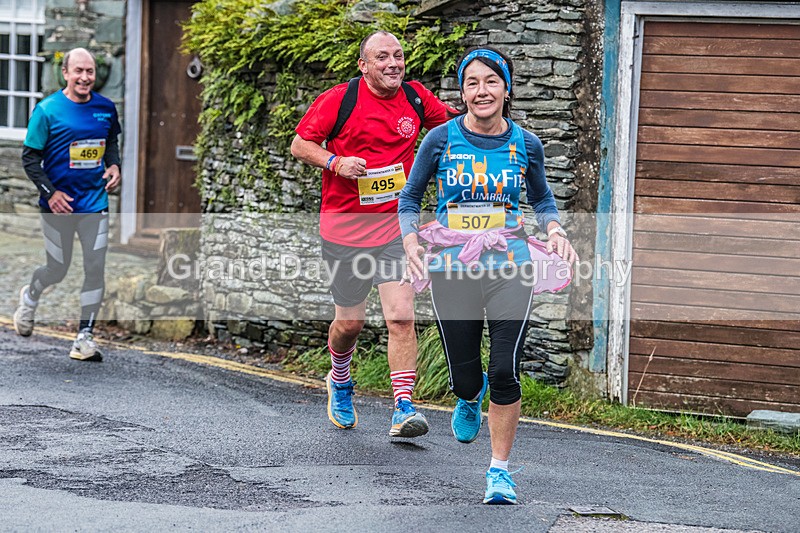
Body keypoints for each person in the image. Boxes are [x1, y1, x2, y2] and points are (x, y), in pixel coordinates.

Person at [398, 47, 577, 503]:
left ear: (506, 88)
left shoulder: (526, 144)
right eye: (473, 82)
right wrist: (411, 240)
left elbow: (542, 200)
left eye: (491, 81)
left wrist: (554, 229)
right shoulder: (439, 140)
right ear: (463, 91)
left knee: (504, 370)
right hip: (452, 266)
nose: (482, 91)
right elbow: (410, 197)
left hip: (509, 264)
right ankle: (466, 394)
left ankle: (500, 471)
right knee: (466, 374)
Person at [290, 31, 454, 437]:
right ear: (364, 65)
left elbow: (451, 128)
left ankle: (403, 408)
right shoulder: (339, 100)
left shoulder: (416, 98)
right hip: (344, 230)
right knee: (351, 324)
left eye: (398, 55)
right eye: (383, 57)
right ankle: (340, 379)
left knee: (401, 317)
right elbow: (299, 144)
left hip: (396, 228)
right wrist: (335, 162)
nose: (393, 63)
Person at [12, 48, 121, 362]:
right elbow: (30, 158)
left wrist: (114, 167)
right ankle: (31, 295)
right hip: (58, 207)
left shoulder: (106, 108)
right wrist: (51, 193)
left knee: (95, 267)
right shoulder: (47, 110)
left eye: (90, 72)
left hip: (94, 203)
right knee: (58, 268)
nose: (85, 78)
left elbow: (110, 143)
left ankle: (84, 337)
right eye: (79, 72)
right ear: (66, 74)